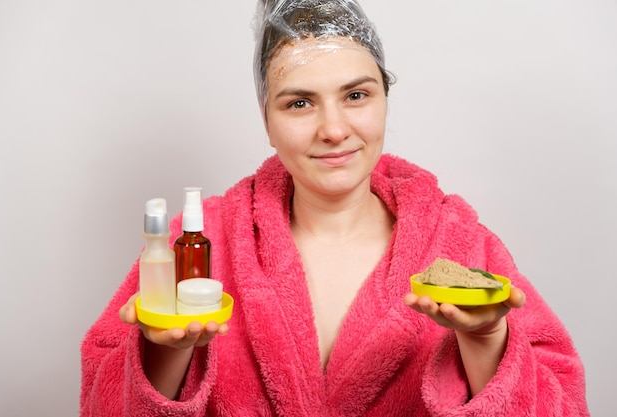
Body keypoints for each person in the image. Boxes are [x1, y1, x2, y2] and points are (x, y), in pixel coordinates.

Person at [80, 0, 590, 415]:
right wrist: (166, 350)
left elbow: (564, 405)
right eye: (299, 102)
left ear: (384, 99)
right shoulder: (201, 242)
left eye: (356, 95)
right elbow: (101, 404)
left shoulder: (456, 246)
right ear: (266, 117)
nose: (334, 129)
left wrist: (487, 339)